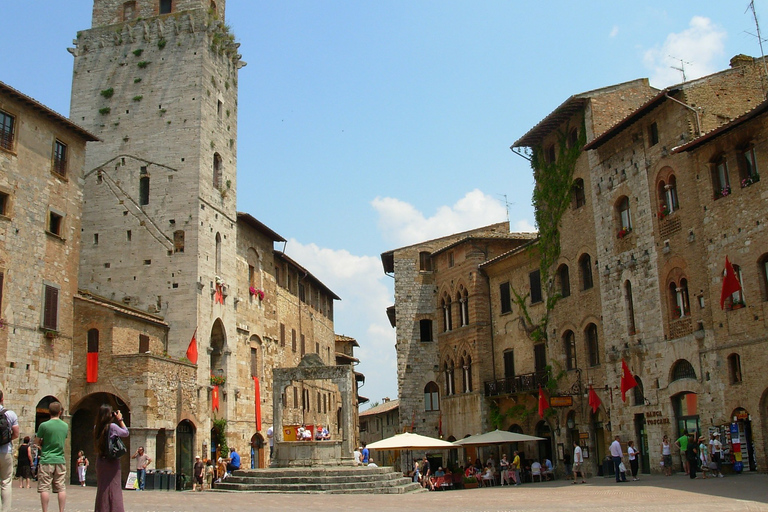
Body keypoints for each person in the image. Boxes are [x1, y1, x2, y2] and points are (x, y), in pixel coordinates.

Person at [93, 404, 128, 512]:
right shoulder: (112, 427)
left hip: (100, 461)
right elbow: (126, 432)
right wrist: (120, 419)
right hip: (112, 462)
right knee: (114, 487)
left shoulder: (96, 427)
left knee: (102, 488)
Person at [36, 400, 68, 512]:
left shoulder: (44, 425)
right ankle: (61, 510)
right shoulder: (65, 426)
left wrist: (42, 444)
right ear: (60, 412)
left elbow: (37, 440)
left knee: (44, 487)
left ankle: (45, 510)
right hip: (60, 459)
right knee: (61, 487)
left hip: (46, 459)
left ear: (49, 412)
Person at [0, 390, 20, 512]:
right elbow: (16, 433)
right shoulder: (10, 414)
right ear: (2, 399)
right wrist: (6, 439)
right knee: (6, 482)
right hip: (5, 450)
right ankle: (5, 510)